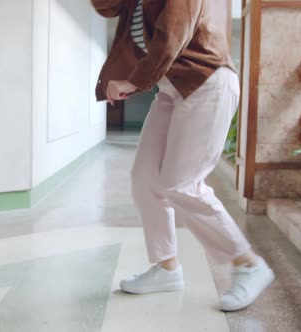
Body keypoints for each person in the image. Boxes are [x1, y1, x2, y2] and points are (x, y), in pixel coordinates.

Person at [91, 0, 274, 311]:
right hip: (171, 89)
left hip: (208, 80)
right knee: (145, 178)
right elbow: (104, 7)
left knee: (182, 183)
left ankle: (248, 264)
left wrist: (133, 81)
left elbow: (172, 36)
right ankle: (166, 269)